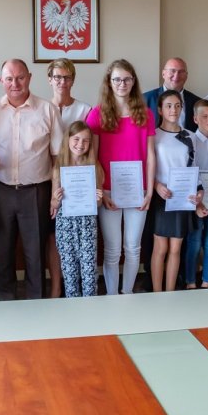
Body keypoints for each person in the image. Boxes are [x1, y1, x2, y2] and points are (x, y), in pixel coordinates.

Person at [0, 59, 63, 300]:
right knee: (2, 251)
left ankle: (35, 305)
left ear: (29, 77)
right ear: (1, 81)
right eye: (9, 79)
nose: (15, 83)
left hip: (37, 191)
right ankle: (5, 302)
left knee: (35, 252)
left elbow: (58, 157)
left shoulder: (47, 110)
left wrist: (55, 195)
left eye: (20, 77)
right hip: (1, 190)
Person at [87, 60, 156, 295]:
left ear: (133, 82)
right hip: (108, 191)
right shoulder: (97, 114)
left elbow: (151, 155)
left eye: (127, 79)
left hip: (139, 190)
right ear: (109, 82)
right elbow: (93, 157)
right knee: (113, 249)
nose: (122, 84)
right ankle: (112, 295)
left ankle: (127, 294)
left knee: (133, 247)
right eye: (117, 79)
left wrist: (150, 191)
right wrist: (99, 190)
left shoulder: (145, 114)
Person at [46, 58, 91, 298]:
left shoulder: (84, 109)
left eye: (67, 77)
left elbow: (91, 149)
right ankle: (57, 285)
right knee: (54, 236)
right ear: (50, 79)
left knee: (78, 241)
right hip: (48, 179)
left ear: (73, 80)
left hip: (78, 186)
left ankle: (79, 289)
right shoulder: (42, 107)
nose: (62, 82)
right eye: (57, 77)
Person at [150, 90, 201, 292]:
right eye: (169, 106)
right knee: (161, 248)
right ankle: (157, 293)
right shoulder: (153, 135)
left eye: (177, 105)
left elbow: (195, 167)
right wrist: (156, 185)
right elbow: (147, 166)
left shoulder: (190, 136)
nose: (174, 110)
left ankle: (170, 293)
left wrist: (199, 192)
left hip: (182, 198)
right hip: (161, 197)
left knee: (176, 248)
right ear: (160, 110)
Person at [50, 121, 103, 298]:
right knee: (70, 272)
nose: (80, 144)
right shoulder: (59, 168)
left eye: (86, 140)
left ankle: (90, 309)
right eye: (77, 139)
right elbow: (54, 205)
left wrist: (98, 199)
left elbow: (98, 204)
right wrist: (56, 199)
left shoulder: (94, 167)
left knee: (89, 273)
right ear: (68, 139)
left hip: (87, 226)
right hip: (66, 226)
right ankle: (73, 309)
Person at [184, 99, 208, 289]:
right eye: (205, 116)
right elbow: (188, 172)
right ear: (195, 119)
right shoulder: (189, 141)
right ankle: (190, 281)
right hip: (195, 202)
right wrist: (197, 204)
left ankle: (207, 281)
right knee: (194, 242)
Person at [144, 57, 200, 132]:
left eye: (181, 72)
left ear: (186, 75)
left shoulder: (197, 102)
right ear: (163, 74)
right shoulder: (145, 99)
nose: (176, 76)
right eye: (172, 71)